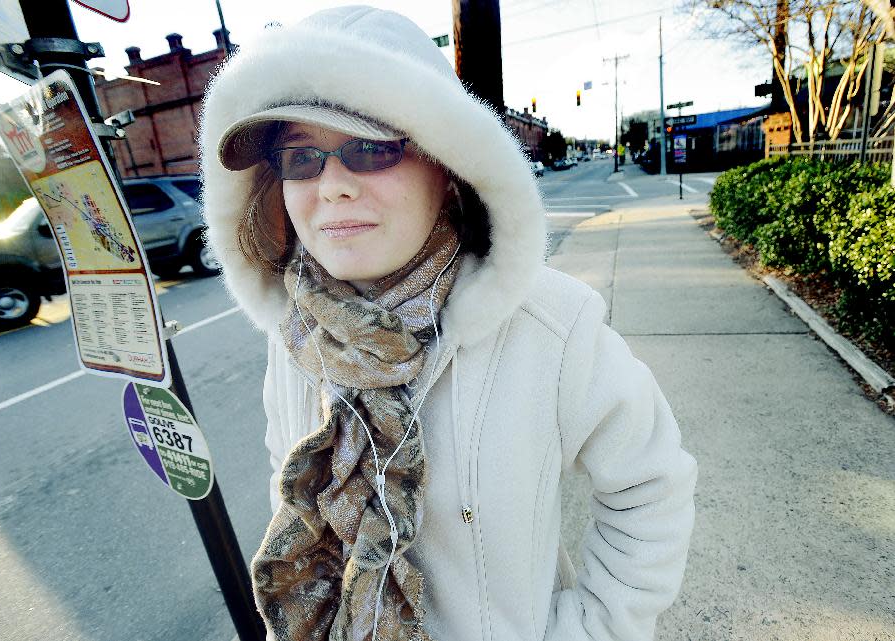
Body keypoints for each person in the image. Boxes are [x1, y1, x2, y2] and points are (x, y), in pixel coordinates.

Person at [200, 6, 697, 641]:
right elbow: (287, 479)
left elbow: (650, 490)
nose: (332, 186)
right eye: (301, 157)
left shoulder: (552, 323)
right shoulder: (294, 334)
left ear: (446, 164)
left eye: (371, 148)